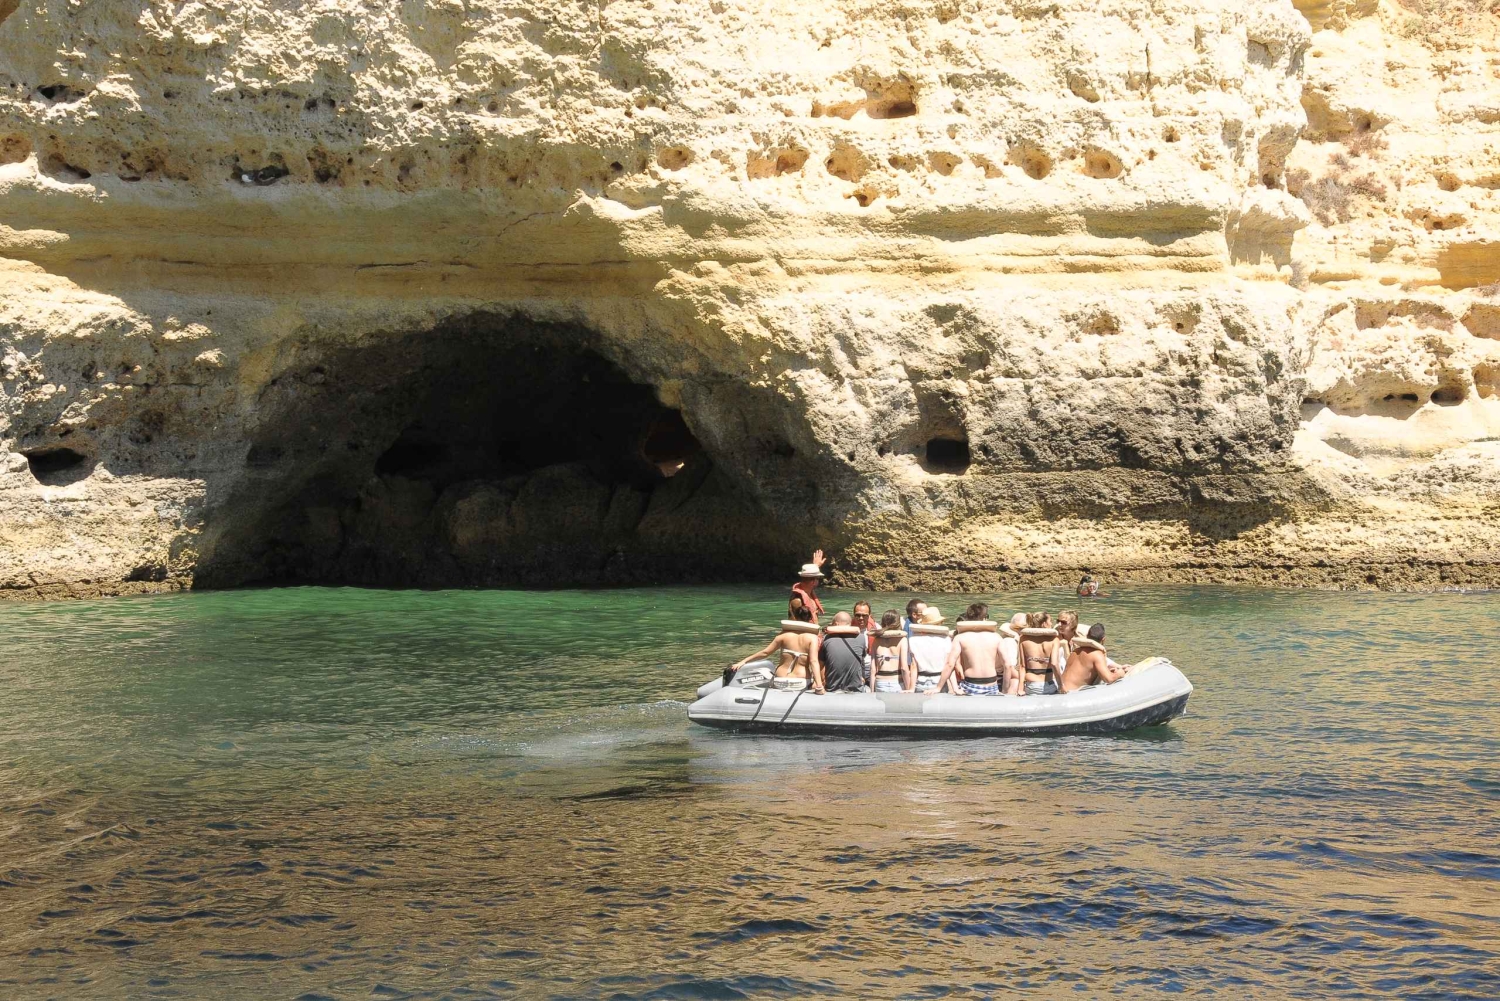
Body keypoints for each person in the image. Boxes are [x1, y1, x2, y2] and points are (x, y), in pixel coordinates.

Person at [730, 604, 821, 692]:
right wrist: (819, 685)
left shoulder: (783, 635)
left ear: (795, 617)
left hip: (781, 680)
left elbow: (765, 653)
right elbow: (813, 661)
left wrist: (743, 661)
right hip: (801, 681)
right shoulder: (812, 638)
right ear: (810, 619)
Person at [934, 602, 1004, 696]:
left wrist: (938, 688)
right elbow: (1007, 665)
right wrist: (1006, 690)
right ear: (985, 618)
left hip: (971, 685)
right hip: (992, 686)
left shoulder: (960, 638)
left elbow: (950, 664)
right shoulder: (997, 637)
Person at [1058, 623, 1127, 693]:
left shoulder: (1075, 651)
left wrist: (1109, 671)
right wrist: (1120, 673)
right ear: (1103, 639)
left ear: (1087, 637)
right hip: (1071, 693)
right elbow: (1109, 679)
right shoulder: (1097, 654)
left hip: (1060, 691)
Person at [905, 606, 953, 693]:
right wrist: (941, 687)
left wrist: (911, 688)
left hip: (921, 681)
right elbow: (948, 665)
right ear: (939, 623)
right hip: (939, 681)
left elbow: (913, 666)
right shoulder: (946, 640)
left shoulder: (913, 639)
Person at [819, 611, 870, 693]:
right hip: (856, 689)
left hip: (832, 689)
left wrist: (822, 681)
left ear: (836, 624)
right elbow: (861, 661)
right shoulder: (861, 638)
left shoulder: (826, 639)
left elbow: (820, 665)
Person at [1018, 611, 1059, 695]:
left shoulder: (1023, 638)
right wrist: (1061, 686)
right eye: (1050, 621)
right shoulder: (1054, 639)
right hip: (1049, 684)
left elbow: (1022, 666)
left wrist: (1020, 689)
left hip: (1032, 685)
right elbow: (1054, 664)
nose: (1052, 624)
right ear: (1044, 624)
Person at [870, 610, 908, 693]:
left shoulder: (876, 640)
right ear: (898, 623)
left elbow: (873, 669)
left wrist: (872, 691)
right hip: (896, 682)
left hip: (880, 682)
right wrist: (909, 688)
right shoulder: (902, 640)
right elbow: (904, 668)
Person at [789, 550, 827, 623]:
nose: (819, 580)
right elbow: (794, 624)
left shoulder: (808, 592)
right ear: (813, 582)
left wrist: (815, 566)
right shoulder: (797, 601)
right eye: (818, 578)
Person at [998, 612, 1026, 696]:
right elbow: (1011, 669)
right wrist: (1025, 678)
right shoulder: (1010, 642)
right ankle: (1009, 697)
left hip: (1009, 673)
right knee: (1016, 681)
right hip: (1002, 678)